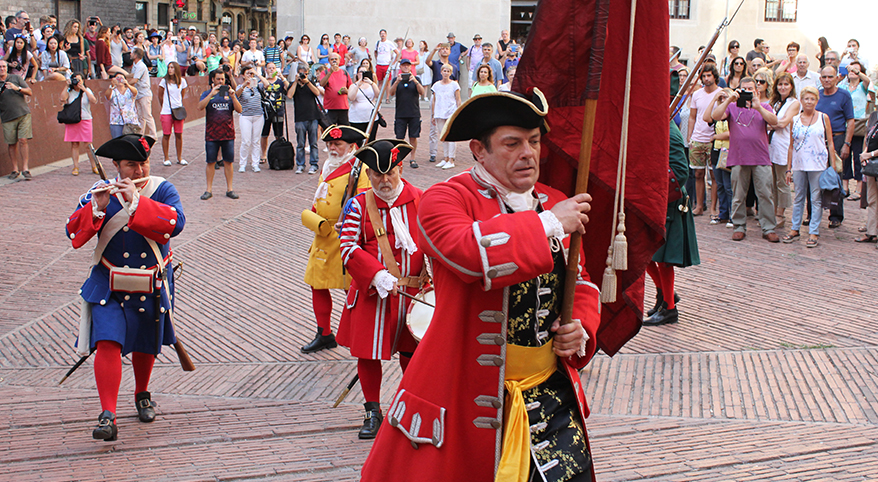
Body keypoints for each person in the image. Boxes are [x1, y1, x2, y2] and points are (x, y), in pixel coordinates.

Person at [361, 87, 600, 482]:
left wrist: (580, 327)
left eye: (535, 142)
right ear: (478, 149)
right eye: (512, 143)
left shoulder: (554, 200)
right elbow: (471, 256)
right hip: (463, 398)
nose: (528, 153)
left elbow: (583, 280)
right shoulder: (444, 199)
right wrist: (548, 224)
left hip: (551, 397)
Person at [64, 134, 184, 441]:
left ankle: (142, 393)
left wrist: (137, 202)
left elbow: (175, 224)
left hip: (150, 280)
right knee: (107, 342)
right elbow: (73, 233)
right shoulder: (98, 192)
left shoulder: (162, 189)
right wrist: (97, 209)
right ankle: (108, 414)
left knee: (146, 339)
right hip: (109, 281)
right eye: (132, 165)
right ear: (116, 166)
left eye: (143, 163)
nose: (141, 171)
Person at [336, 139, 423, 439]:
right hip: (375, 292)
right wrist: (376, 275)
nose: (384, 181)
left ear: (400, 168)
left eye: (390, 174)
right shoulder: (360, 204)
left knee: (413, 355)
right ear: (369, 175)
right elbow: (346, 247)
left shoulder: (421, 200)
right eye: (376, 175)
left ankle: (409, 406)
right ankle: (372, 410)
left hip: (414, 295)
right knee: (369, 354)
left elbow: (436, 244)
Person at [300, 125, 370, 354]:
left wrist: (350, 220)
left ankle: (363, 331)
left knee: (352, 288)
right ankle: (324, 333)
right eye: (330, 144)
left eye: (337, 144)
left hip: (344, 235)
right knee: (317, 283)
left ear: (352, 147)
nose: (332, 148)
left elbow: (364, 202)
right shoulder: (329, 165)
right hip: (322, 234)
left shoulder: (360, 169)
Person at [643, 122, 700, 326]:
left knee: (663, 258)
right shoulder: (655, 122)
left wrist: (654, 193)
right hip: (652, 197)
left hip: (667, 199)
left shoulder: (667, 129)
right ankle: (664, 295)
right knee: (643, 251)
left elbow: (680, 172)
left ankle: (669, 310)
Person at [711, 78, 780, 242]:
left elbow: (775, 122)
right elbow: (716, 116)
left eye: (750, 89)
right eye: (744, 89)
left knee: (765, 194)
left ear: (756, 90)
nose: (747, 92)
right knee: (738, 195)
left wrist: (758, 107)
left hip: (761, 157)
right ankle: (739, 226)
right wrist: (729, 98)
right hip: (739, 157)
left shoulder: (764, 106)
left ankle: (768, 228)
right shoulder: (732, 107)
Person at [783, 86, 833, 247]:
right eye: (806, 98)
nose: (809, 102)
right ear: (801, 100)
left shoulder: (823, 118)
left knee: (816, 198)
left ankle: (813, 231)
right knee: (798, 197)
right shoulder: (794, 119)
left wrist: (831, 166)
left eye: (812, 99)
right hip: (799, 163)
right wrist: (789, 168)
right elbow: (790, 145)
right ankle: (795, 228)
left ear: (817, 101)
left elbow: (830, 143)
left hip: (818, 164)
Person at [816, 64, 854, 228]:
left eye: (830, 76)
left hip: (838, 139)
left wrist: (847, 143)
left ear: (837, 77)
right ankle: (813, 214)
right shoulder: (816, 95)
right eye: (824, 77)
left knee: (835, 177)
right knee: (815, 176)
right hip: (818, 141)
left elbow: (850, 121)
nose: (827, 80)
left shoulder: (844, 95)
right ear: (820, 78)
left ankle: (836, 215)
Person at [198, 68, 242, 200]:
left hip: (228, 133)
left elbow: (239, 110)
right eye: (218, 79)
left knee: (228, 162)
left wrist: (234, 96)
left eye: (222, 79)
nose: (221, 81)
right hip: (212, 134)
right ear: (213, 79)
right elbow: (200, 107)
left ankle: (230, 189)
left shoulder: (229, 94)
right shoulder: (207, 93)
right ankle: (208, 189)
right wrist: (212, 93)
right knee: (210, 162)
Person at [687, 64, 721, 216]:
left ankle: (713, 208)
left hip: (714, 139)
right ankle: (699, 205)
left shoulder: (721, 93)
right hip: (698, 138)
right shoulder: (697, 94)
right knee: (698, 174)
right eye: (704, 76)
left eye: (709, 75)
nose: (707, 78)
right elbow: (692, 117)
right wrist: (690, 136)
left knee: (714, 175)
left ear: (714, 76)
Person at [768, 73, 800, 227]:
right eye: (780, 84)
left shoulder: (794, 103)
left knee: (782, 181)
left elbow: (783, 123)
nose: (783, 87)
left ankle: (780, 213)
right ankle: (772, 211)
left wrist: (770, 124)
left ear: (791, 86)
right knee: (771, 181)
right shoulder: (774, 102)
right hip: (770, 145)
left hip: (783, 145)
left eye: (786, 84)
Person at [838, 61, 871, 199]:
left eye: (856, 70)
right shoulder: (843, 85)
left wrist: (857, 72)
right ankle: (845, 186)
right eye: (850, 69)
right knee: (844, 156)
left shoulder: (863, 87)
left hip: (858, 124)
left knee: (858, 156)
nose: (852, 71)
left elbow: (868, 80)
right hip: (844, 124)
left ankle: (858, 188)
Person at [0, 59, 33, 180]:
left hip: (23, 113)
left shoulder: (16, 78)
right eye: (0, 67)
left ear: (7, 68)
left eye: (3, 66)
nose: (2, 69)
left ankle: (25, 168)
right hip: (7, 116)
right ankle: (15, 169)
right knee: (11, 143)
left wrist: (17, 88)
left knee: (23, 140)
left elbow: (29, 91)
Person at [289, 63, 324, 174]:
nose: (303, 75)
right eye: (301, 73)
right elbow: (289, 95)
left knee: (313, 143)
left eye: (305, 73)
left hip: (313, 116)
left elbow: (317, 92)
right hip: (300, 117)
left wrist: (307, 82)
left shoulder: (310, 83)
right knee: (300, 143)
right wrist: (295, 82)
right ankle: (300, 164)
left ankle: (314, 164)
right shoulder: (294, 85)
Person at [389, 58, 425, 167]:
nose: (405, 67)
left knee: (413, 137)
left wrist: (415, 81)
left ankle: (412, 158)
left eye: (407, 65)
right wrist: (397, 82)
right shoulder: (396, 79)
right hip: (400, 113)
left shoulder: (416, 79)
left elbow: (422, 92)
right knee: (400, 137)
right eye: (403, 65)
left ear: (410, 67)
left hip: (414, 113)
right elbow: (391, 93)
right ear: (400, 67)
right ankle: (399, 158)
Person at [60, 73, 98, 176]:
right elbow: (62, 99)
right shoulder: (70, 92)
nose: (77, 82)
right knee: (75, 144)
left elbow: (94, 101)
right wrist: (66, 86)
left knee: (88, 144)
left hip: (85, 119)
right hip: (73, 119)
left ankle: (94, 166)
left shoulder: (86, 91)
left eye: (79, 80)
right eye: (75, 80)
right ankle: (75, 166)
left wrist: (84, 89)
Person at [235, 65, 268, 173]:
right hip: (245, 116)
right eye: (248, 73)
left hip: (258, 115)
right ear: (243, 75)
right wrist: (244, 85)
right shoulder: (240, 86)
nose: (250, 75)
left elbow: (267, 84)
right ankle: (242, 163)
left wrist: (258, 74)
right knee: (246, 140)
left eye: (251, 73)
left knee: (256, 140)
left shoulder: (258, 86)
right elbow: (237, 95)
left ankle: (255, 163)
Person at [430, 64, 461, 169]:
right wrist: (433, 114)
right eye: (444, 71)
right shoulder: (436, 85)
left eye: (448, 71)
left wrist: (458, 112)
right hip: (439, 112)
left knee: (451, 136)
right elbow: (434, 100)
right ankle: (446, 157)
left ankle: (451, 159)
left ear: (451, 73)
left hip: (451, 112)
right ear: (441, 72)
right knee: (443, 136)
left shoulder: (454, 85)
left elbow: (458, 99)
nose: (446, 73)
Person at [258, 62, 290, 163]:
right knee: (264, 134)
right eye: (269, 68)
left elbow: (289, 88)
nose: (271, 70)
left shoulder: (280, 82)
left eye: (273, 68)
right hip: (266, 112)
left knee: (279, 134)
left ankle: (278, 152)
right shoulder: (262, 82)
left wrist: (282, 77)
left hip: (278, 110)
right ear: (266, 70)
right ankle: (263, 154)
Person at [158, 62, 188, 167]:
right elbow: (160, 95)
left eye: (172, 67)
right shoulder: (164, 81)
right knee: (166, 134)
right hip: (166, 111)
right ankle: (166, 157)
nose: (170, 69)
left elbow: (182, 95)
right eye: (169, 67)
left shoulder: (182, 81)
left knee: (179, 134)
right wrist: (164, 106)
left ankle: (179, 157)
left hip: (178, 110)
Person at [856, 115, 878, 244]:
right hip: (872, 166)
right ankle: (871, 232)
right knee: (872, 200)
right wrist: (865, 155)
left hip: (873, 160)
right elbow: (869, 140)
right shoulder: (875, 119)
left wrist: (870, 155)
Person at [348, 65, 380, 142]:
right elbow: (351, 98)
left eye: (364, 72)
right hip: (356, 118)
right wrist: (358, 85)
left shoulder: (372, 84)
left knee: (371, 140)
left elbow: (378, 96)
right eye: (360, 72)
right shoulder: (353, 85)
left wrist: (372, 83)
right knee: (357, 140)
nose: (362, 74)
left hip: (371, 117)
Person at [319, 52, 352, 126]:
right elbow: (322, 83)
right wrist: (330, 72)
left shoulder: (345, 73)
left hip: (343, 107)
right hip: (330, 107)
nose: (334, 61)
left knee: (344, 130)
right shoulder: (325, 72)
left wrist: (347, 91)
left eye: (336, 59)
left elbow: (351, 88)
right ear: (329, 61)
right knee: (330, 130)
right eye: (332, 59)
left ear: (339, 61)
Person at [130, 48, 157, 139]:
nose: (130, 54)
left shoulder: (141, 66)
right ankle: (140, 134)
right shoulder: (135, 65)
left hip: (144, 94)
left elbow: (134, 79)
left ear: (136, 55)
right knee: (141, 116)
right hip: (139, 94)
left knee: (147, 115)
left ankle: (153, 135)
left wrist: (125, 84)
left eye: (132, 53)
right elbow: (132, 76)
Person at [105, 72, 138, 139]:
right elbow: (108, 96)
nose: (119, 80)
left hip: (130, 120)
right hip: (116, 121)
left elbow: (135, 92)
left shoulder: (129, 90)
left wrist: (127, 84)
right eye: (118, 78)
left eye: (121, 78)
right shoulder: (113, 91)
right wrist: (112, 85)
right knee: (117, 142)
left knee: (131, 141)